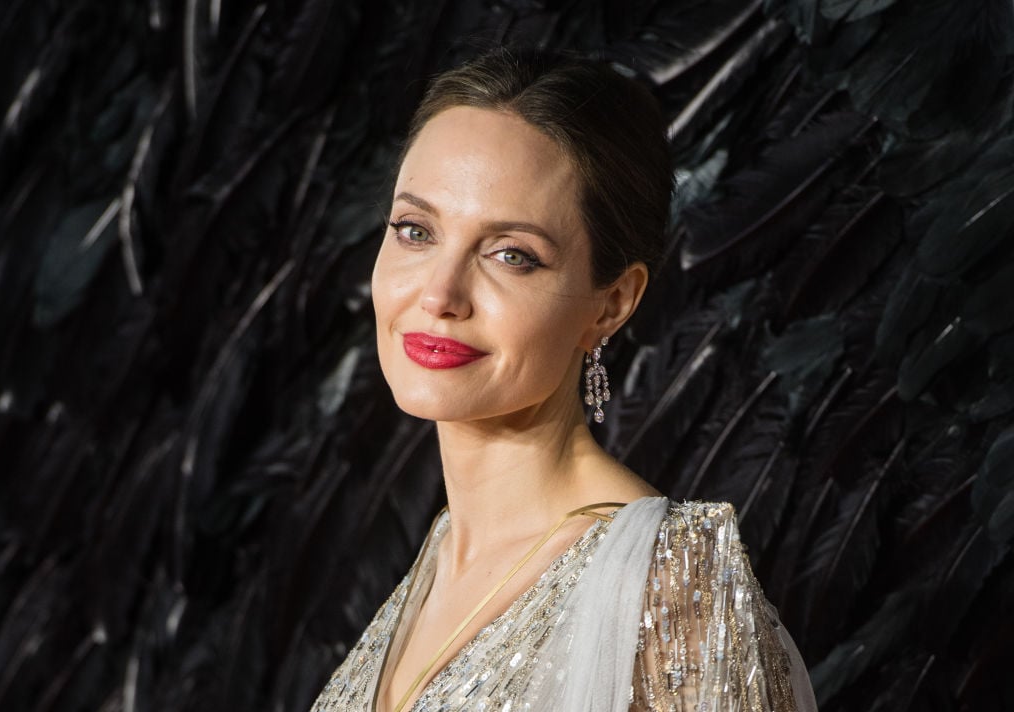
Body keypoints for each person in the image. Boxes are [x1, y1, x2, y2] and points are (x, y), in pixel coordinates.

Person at [310, 47, 817, 712]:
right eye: (415, 230)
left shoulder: (670, 588)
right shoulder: (442, 554)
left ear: (611, 303)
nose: (440, 293)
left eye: (511, 255)